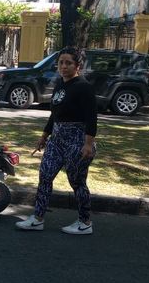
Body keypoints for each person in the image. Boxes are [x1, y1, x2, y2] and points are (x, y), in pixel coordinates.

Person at [15, 46, 97, 235]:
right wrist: (44, 136)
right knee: (45, 175)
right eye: (61, 62)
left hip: (77, 140)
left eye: (68, 63)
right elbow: (55, 114)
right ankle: (37, 218)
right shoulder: (60, 83)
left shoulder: (83, 87)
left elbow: (92, 118)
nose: (64, 66)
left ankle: (85, 222)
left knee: (76, 181)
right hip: (57, 140)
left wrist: (88, 144)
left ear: (78, 65)